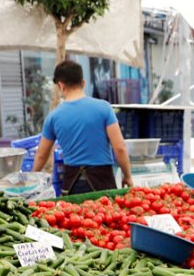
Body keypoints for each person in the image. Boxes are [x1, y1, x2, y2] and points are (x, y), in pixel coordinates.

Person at [32, 60, 133, 194]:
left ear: (61, 86)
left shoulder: (53, 117)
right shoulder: (104, 108)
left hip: (72, 185)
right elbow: (119, 148)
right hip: (103, 182)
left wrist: (31, 179)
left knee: (76, 214)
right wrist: (127, 176)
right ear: (83, 83)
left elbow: (41, 155)